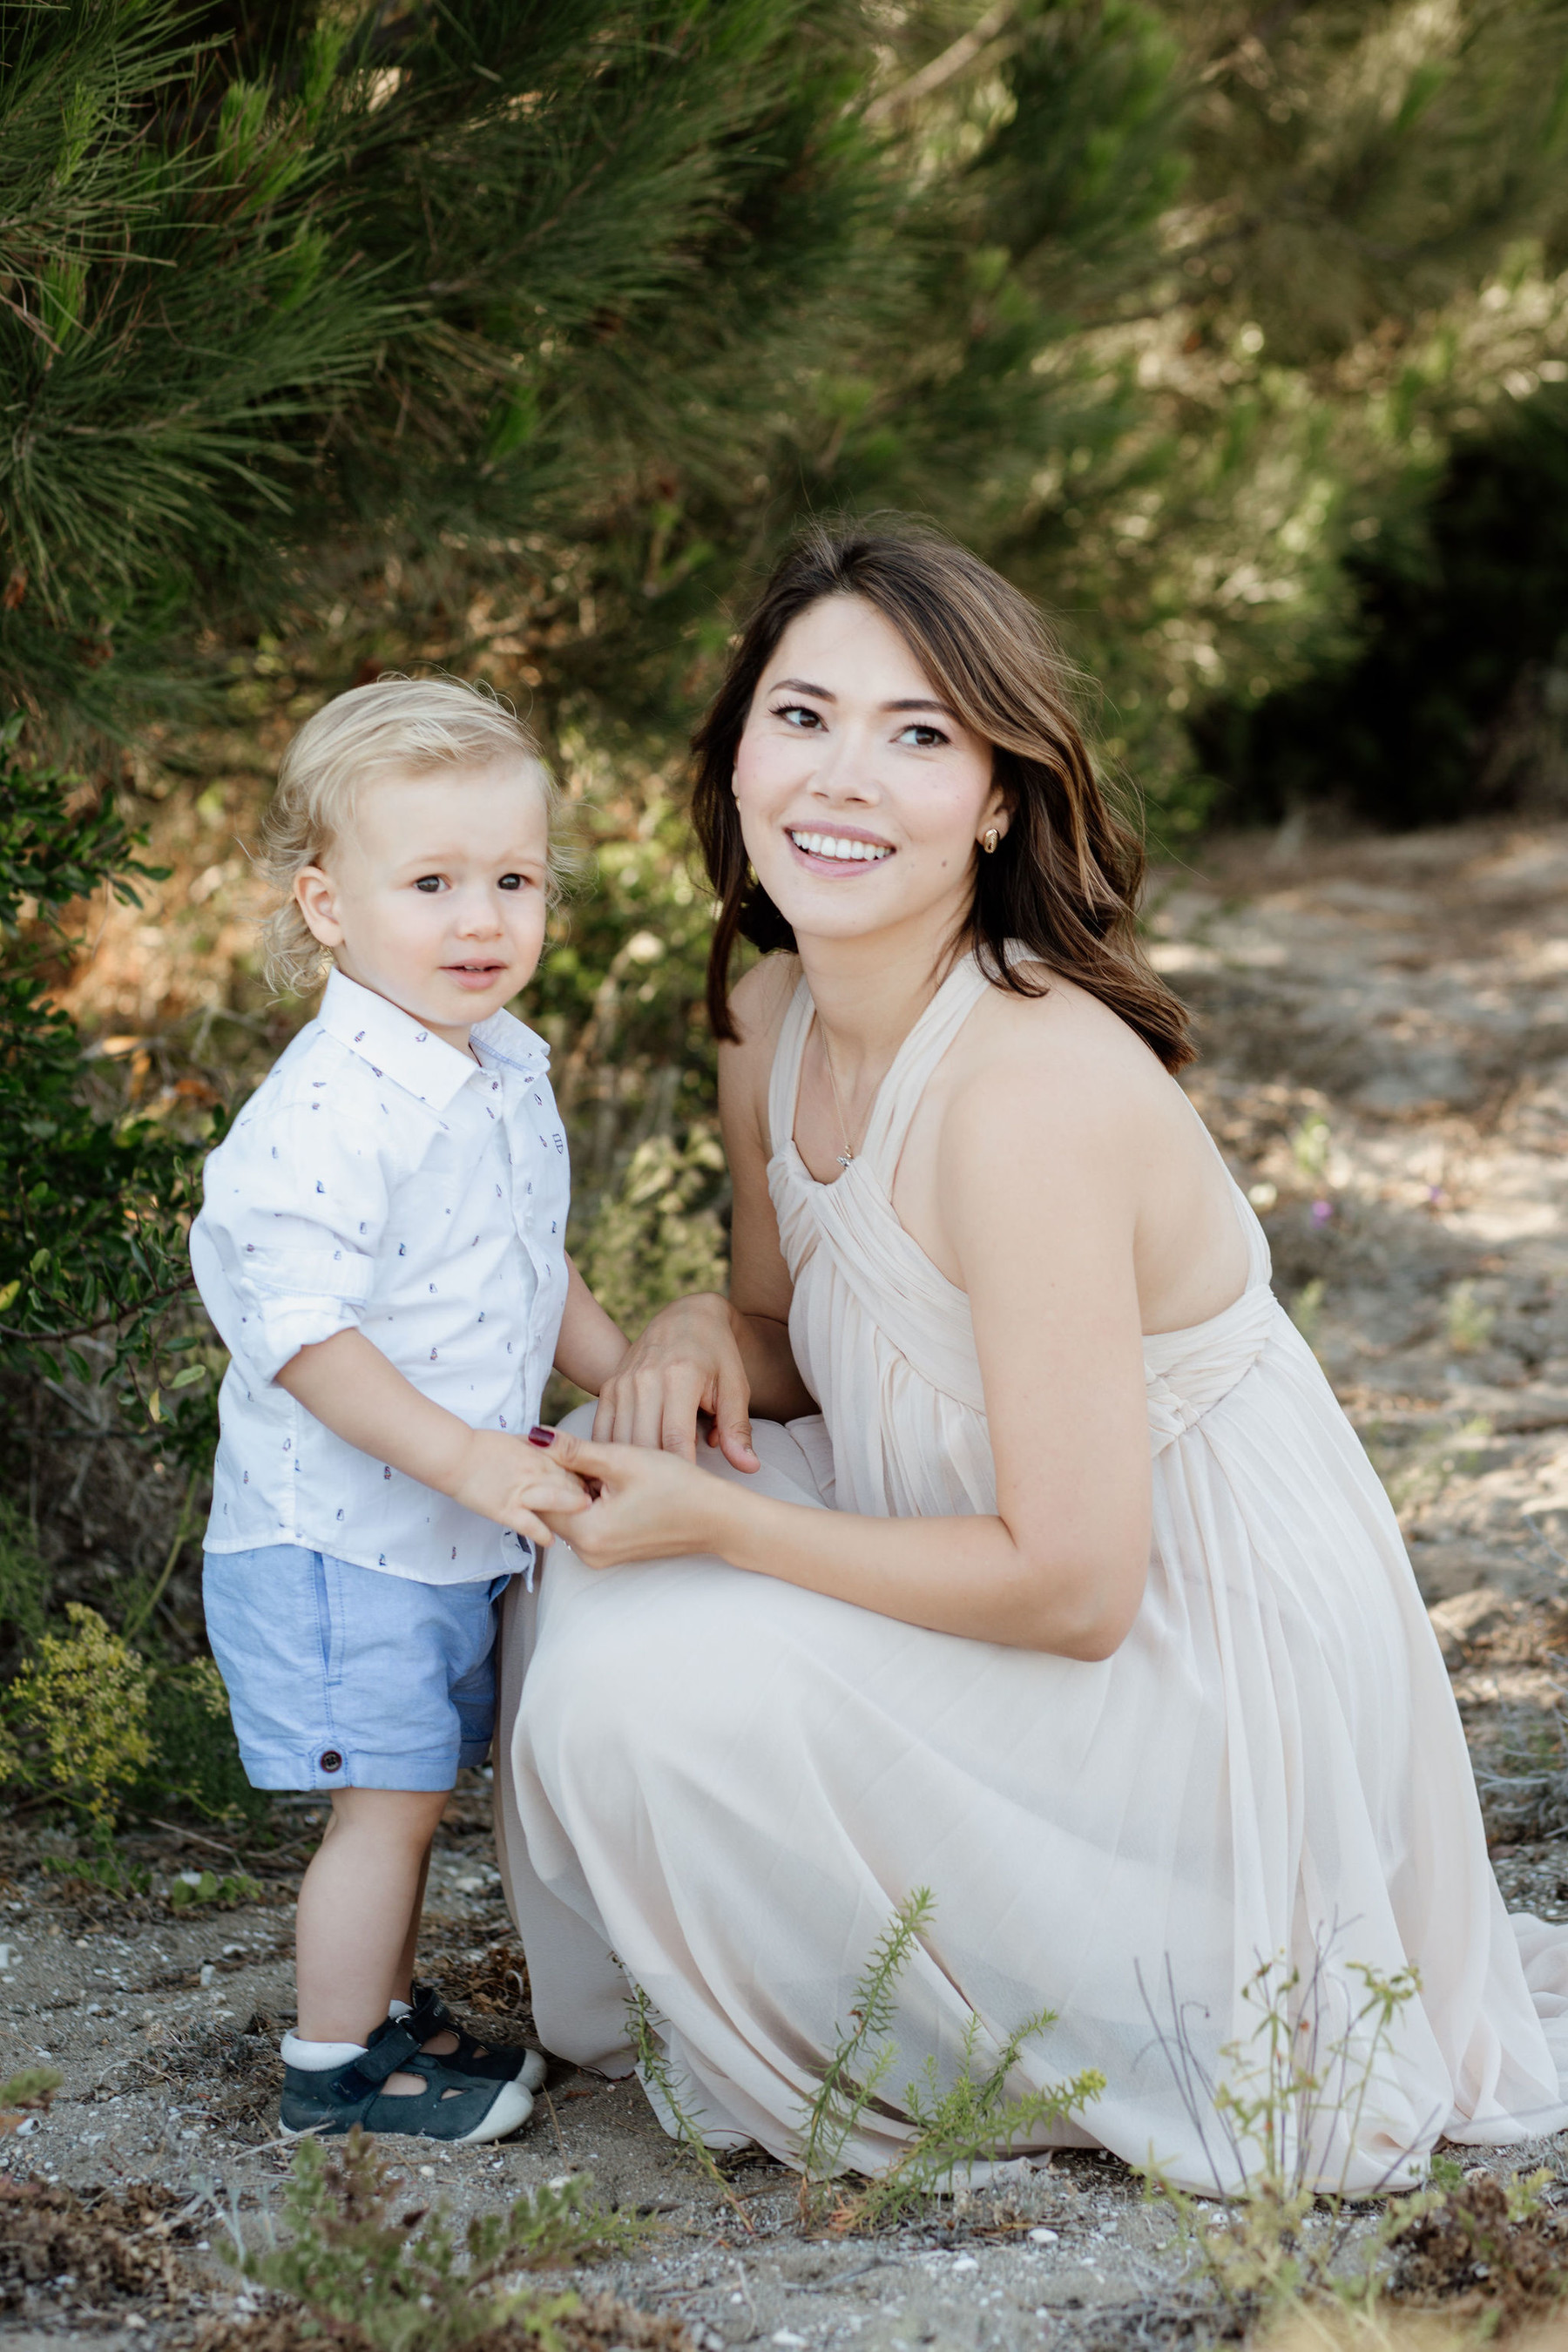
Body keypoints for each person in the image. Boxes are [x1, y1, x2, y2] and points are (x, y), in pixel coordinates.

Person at [493, 522, 1568, 2194]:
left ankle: (1021, 2011)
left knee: (651, 1659)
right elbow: (802, 1347)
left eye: (921, 734)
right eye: (804, 716)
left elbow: (1072, 1585)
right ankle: (842, 1967)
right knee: (582, 1530)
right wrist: (705, 1325)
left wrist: (724, 1528)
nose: (845, 777)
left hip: (1182, 1654)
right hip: (992, 1533)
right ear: (734, 758)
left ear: (998, 799)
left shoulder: (1027, 1091)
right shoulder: (773, 1017)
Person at [191, 677, 626, 2145]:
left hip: (440, 1525)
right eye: (430, 883)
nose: (480, 919)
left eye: (513, 880)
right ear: (327, 905)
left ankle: (377, 2005)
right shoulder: (328, 1112)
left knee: (418, 1794)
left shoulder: (497, 1067)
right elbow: (303, 1336)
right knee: (381, 1808)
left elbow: (522, 1261)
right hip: (341, 1542)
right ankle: (334, 2072)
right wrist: (466, 1457)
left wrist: (619, 1378)